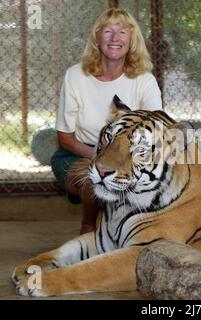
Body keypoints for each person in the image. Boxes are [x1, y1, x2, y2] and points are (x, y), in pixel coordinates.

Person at [51, 8, 162, 235]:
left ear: (131, 41)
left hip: (129, 157)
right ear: (97, 37)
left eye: (122, 32)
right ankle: (89, 230)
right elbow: (65, 138)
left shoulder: (144, 79)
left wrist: (123, 161)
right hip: (78, 152)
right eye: (108, 31)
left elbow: (156, 130)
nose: (114, 38)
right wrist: (105, 159)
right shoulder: (75, 75)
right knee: (96, 180)